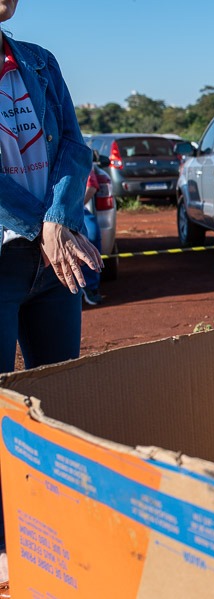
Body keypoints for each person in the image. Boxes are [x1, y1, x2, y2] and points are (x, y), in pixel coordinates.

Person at [0, 0, 100, 372]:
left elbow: (74, 147)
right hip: (16, 254)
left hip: (55, 259)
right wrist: (42, 227)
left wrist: (57, 220)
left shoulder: (39, 62)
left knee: (58, 394)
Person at [81, 159, 103, 306]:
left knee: (92, 233)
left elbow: (91, 186)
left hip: (74, 208)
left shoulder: (76, 149)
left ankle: (90, 286)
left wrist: (70, 209)